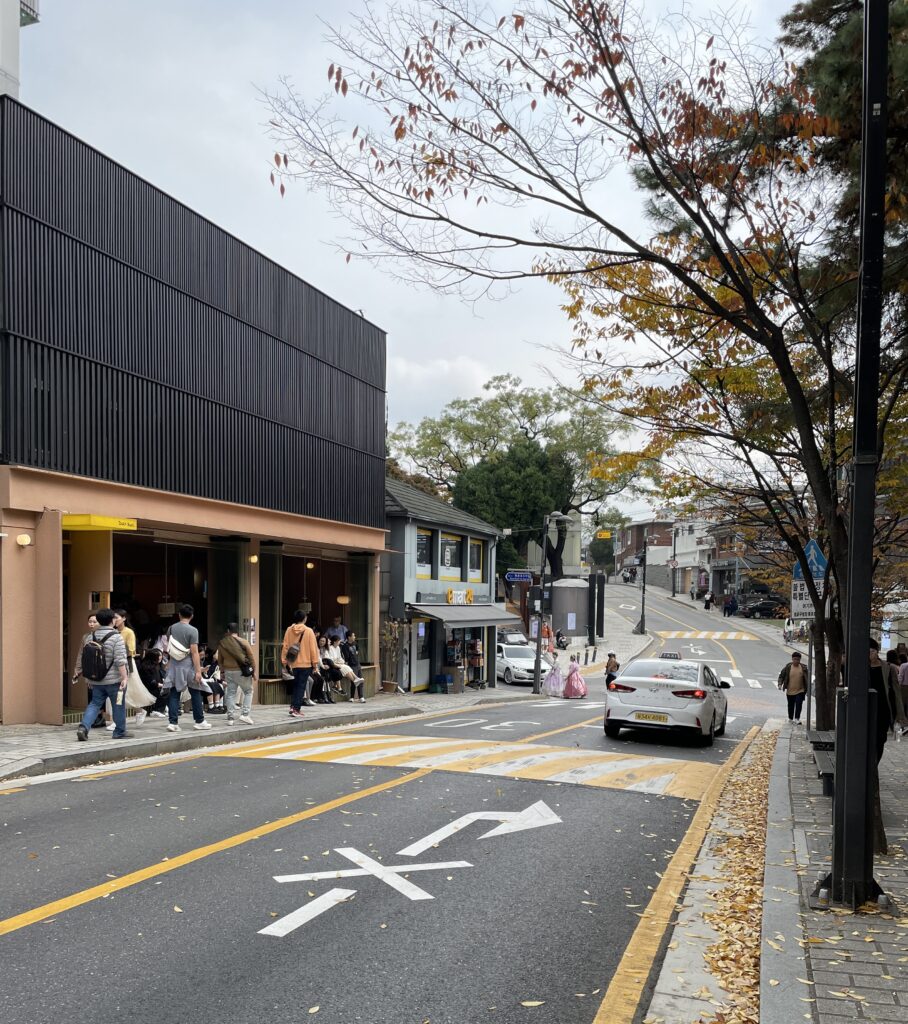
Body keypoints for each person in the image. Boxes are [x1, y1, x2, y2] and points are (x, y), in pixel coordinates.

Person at [75, 608, 130, 741]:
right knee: (118, 704)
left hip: (97, 680)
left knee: (94, 704)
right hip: (114, 681)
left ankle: (84, 728)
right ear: (112, 620)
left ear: (98, 621)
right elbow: (120, 660)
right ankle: (119, 731)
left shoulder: (90, 637)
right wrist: (124, 677)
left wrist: (87, 677)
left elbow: (86, 659)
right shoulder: (116, 637)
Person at [161, 604, 211, 732]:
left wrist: (170, 664)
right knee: (195, 692)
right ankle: (199, 721)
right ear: (192, 616)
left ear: (179, 615)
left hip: (174, 665)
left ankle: (173, 723)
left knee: (174, 693)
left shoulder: (171, 628)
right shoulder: (193, 630)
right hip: (188, 665)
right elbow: (194, 652)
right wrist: (198, 670)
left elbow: (170, 648)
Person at [113, 608, 155, 726]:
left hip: (127, 663)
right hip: (115, 665)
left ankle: (121, 719)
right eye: (114, 618)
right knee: (120, 692)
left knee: (127, 691)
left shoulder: (128, 632)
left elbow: (131, 650)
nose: (115, 620)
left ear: (124, 618)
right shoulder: (113, 631)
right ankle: (138, 712)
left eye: (117, 617)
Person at [281, 609, 320, 717]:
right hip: (306, 663)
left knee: (296, 685)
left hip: (293, 663)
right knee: (301, 687)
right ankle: (296, 709)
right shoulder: (308, 631)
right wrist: (315, 664)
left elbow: (285, 646)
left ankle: (293, 706)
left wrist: (284, 661)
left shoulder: (289, 630)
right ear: (305, 619)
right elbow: (313, 649)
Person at [217, 622, 256, 725]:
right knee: (248, 691)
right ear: (237, 632)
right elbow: (251, 657)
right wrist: (254, 671)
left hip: (229, 671)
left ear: (228, 631)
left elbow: (220, 659)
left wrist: (222, 672)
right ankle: (245, 714)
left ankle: (230, 718)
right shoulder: (243, 642)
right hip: (241, 671)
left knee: (230, 693)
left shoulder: (222, 643)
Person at [777, 650, 807, 723]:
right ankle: (790, 718)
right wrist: (780, 684)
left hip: (800, 690)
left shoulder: (803, 668)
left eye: (798, 659)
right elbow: (781, 676)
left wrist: (807, 688)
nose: (796, 661)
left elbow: (807, 678)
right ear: (792, 659)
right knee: (791, 705)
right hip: (790, 690)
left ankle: (797, 718)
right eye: (795, 659)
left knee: (799, 704)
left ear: (800, 660)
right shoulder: (788, 667)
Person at [341, 631, 367, 702]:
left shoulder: (355, 643)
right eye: (353, 636)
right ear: (349, 637)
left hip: (357, 664)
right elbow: (346, 657)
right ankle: (352, 697)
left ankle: (361, 697)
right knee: (354, 681)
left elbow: (357, 650)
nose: (354, 637)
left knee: (360, 680)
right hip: (351, 665)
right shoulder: (345, 646)